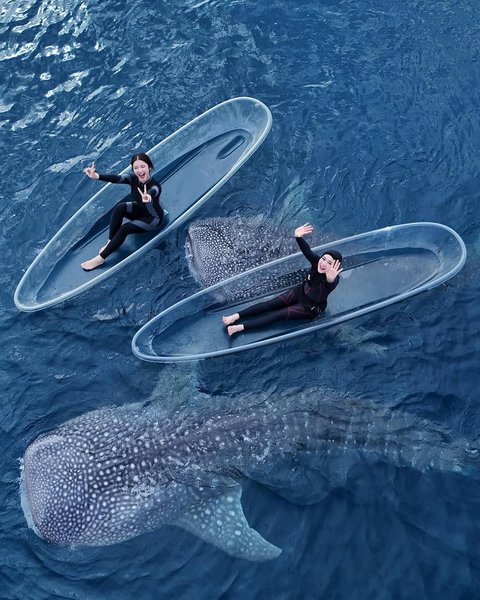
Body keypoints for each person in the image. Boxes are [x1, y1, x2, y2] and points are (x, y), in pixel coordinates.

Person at [222, 223, 342, 336]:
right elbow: (307, 250)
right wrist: (298, 236)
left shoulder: (332, 279)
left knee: (276, 315)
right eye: (324, 258)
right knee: (270, 304)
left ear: (334, 267)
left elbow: (331, 282)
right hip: (299, 291)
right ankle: (235, 316)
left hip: (309, 307)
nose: (324, 263)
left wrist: (330, 279)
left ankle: (239, 327)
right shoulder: (317, 262)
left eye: (329, 263)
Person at [81, 153, 164, 271]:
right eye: (136, 168)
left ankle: (100, 259)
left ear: (149, 167)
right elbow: (116, 178)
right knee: (120, 207)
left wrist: (147, 197)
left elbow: (153, 192)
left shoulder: (155, 186)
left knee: (125, 228)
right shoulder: (132, 178)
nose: (139, 170)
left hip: (153, 219)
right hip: (140, 210)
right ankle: (110, 243)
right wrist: (96, 176)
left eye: (143, 166)